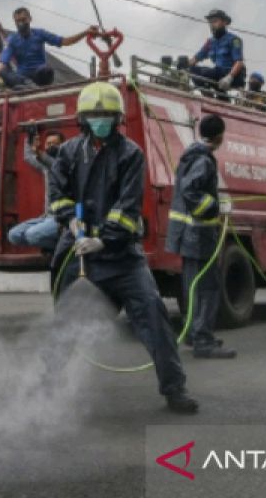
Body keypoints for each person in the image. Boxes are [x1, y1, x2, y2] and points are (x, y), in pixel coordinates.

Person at [51, 82, 198, 413]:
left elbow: (128, 205)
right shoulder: (69, 152)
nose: (100, 120)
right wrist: (68, 220)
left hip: (122, 259)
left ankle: (175, 389)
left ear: (117, 118)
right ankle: (45, 390)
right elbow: (57, 193)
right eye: (94, 115)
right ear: (83, 118)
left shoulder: (131, 153)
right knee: (64, 324)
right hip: (82, 255)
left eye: (107, 115)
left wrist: (104, 238)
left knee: (154, 318)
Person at [166, 114, 236, 359]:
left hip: (189, 236)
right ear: (219, 136)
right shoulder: (203, 160)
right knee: (206, 287)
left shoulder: (191, 155)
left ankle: (194, 333)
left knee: (193, 286)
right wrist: (215, 207)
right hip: (199, 235)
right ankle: (203, 340)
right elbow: (190, 190)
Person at [0, 7, 95, 89]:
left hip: (40, 75)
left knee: (47, 70)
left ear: (30, 19)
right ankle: (27, 85)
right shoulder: (12, 39)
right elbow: (3, 62)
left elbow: (64, 41)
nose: (21, 24)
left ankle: (29, 86)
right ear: (15, 22)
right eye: (18, 21)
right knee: (3, 72)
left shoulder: (40, 34)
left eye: (23, 20)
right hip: (22, 78)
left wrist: (85, 32)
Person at [8, 129, 65, 251]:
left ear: (63, 146)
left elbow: (52, 163)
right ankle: (56, 246)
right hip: (47, 217)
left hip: (62, 219)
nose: (51, 146)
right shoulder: (45, 167)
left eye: (55, 143)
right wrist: (30, 134)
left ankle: (64, 247)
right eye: (48, 144)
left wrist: (37, 151)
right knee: (14, 235)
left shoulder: (65, 164)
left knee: (32, 235)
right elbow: (28, 157)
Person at [189, 9, 245, 93]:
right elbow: (197, 57)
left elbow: (239, 62)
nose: (212, 25)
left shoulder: (234, 40)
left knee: (205, 72)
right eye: (210, 22)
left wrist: (229, 77)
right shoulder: (210, 42)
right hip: (218, 74)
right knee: (193, 70)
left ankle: (217, 93)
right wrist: (185, 65)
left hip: (232, 75)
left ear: (224, 22)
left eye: (215, 21)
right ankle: (209, 96)